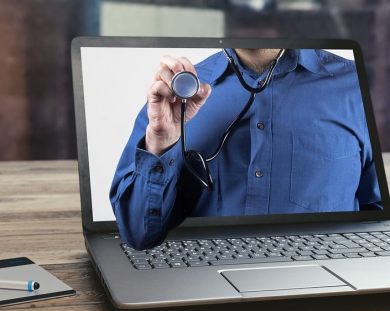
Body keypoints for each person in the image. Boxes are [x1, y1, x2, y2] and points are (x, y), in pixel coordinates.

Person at [110, 48, 382, 250]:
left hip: (329, 296)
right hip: (206, 290)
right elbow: (138, 234)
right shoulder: (175, 94)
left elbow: (378, 218)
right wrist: (161, 141)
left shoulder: (359, 86)